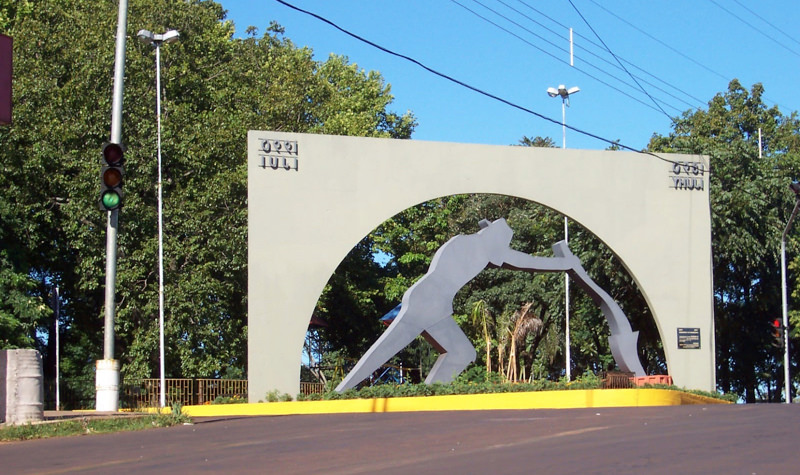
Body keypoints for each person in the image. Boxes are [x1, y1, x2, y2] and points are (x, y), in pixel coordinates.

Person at [336, 218, 587, 392]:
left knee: (462, 353)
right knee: (382, 351)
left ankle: (430, 396)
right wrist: (564, 264)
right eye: (504, 243)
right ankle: (339, 393)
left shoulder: (465, 242)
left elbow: (517, 257)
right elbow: (523, 260)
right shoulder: (480, 248)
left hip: (435, 305)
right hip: (428, 302)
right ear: (494, 238)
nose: (504, 250)